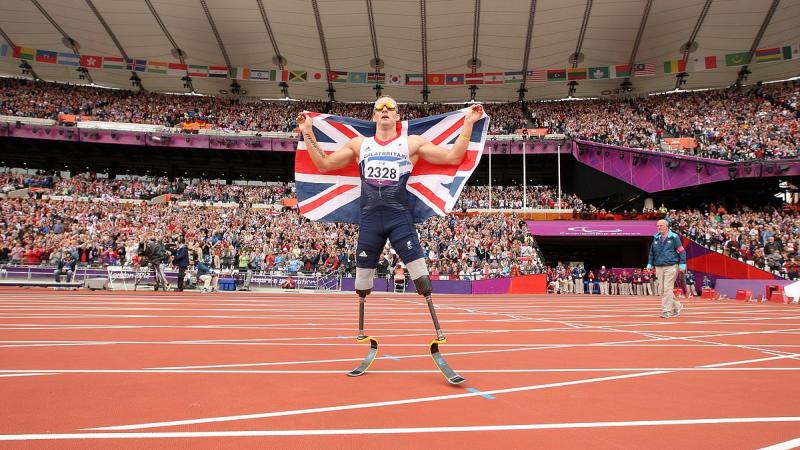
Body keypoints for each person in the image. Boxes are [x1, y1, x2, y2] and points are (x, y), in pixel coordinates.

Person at [297, 97, 483, 344]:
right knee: (362, 282)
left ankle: (438, 332)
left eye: (390, 108)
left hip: (399, 219)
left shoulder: (411, 144)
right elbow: (323, 164)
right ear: (374, 116)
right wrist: (308, 131)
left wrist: (468, 122)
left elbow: (452, 158)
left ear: (397, 116)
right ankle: (361, 333)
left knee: (421, 277)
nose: (385, 110)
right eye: (380, 108)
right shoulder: (359, 144)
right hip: (370, 221)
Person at [647, 219, 687, 318]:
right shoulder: (656, 238)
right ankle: (677, 306)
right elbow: (652, 252)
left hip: (671, 266)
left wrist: (682, 264)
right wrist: (649, 263)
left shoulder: (674, 237)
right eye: (658, 226)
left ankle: (666, 311)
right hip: (659, 266)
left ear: (667, 226)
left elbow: (682, 251)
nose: (659, 227)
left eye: (661, 225)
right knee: (662, 290)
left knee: (668, 289)